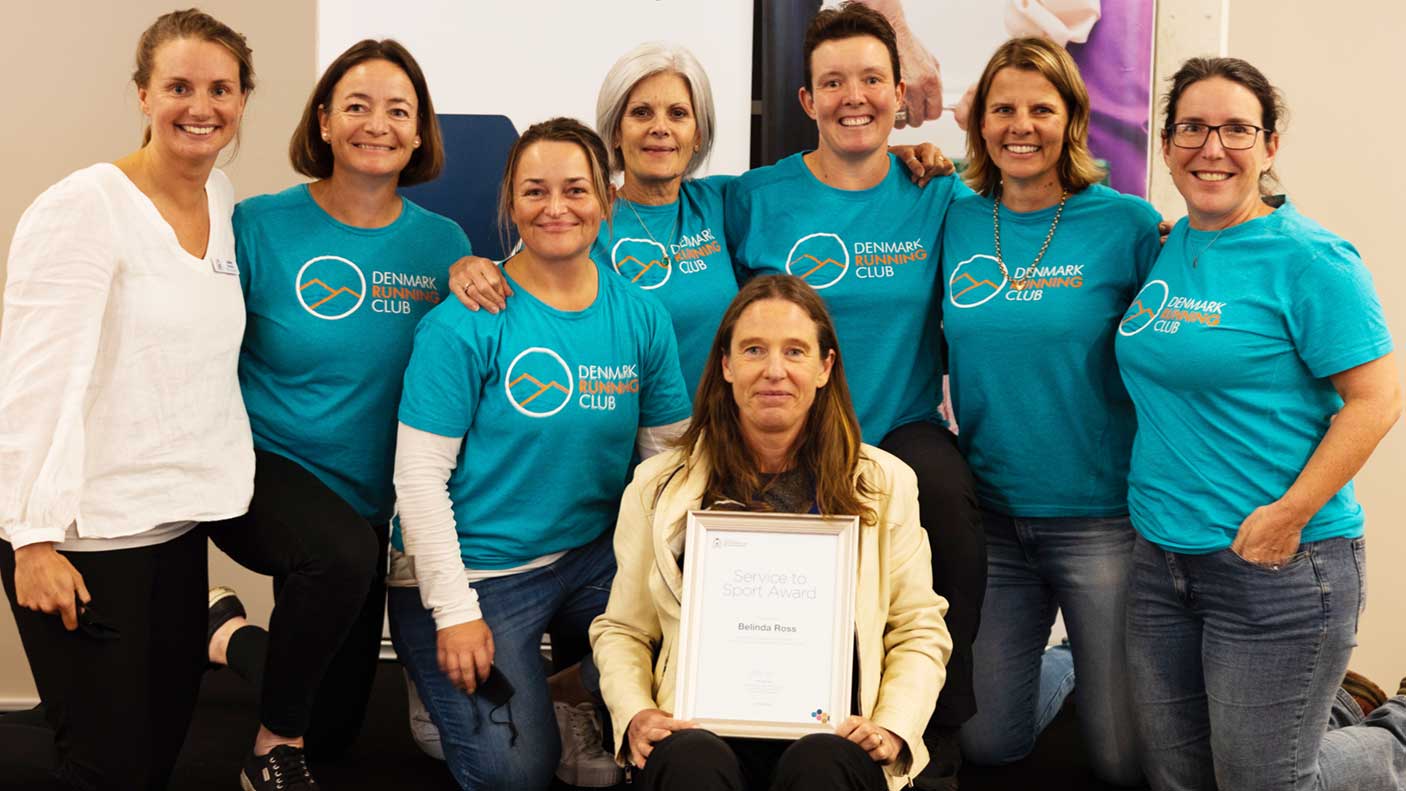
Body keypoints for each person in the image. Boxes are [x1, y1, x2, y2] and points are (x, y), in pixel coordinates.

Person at [1116, 56, 1406, 790]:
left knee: (1266, 782)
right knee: (1179, 776)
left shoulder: (1312, 260)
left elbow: (1379, 398)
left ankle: (1395, 738)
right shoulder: (1170, 243)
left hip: (1278, 566)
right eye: (1192, 128)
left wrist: (1288, 514)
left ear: (1270, 145)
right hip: (1162, 562)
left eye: (1237, 129)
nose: (1212, 147)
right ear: (1167, 143)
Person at [389, 117, 693, 791]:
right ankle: (439, 683)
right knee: (514, 773)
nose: (557, 207)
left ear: (607, 200)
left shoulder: (642, 315)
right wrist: (456, 611)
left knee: (695, 624)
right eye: (535, 191)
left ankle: (565, 690)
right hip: (479, 571)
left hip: (587, 559)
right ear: (510, 201)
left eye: (576, 189)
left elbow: (668, 460)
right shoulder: (466, 319)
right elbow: (417, 479)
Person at [199, 39, 471, 790]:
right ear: (323, 121)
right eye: (356, 105)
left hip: (366, 495)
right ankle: (268, 750)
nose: (375, 123)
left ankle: (225, 633)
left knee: (339, 724)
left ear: (419, 133)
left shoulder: (443, 244)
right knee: (341, 556)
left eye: (397, 110)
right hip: (261, 467)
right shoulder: (257, 224)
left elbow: (462, 368)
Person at [722, 6, 983, 785]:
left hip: (897, 426)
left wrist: (1164, 235)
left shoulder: (936, 192)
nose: (854, 96)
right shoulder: (752, 197)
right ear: (807, 101)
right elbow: (645, 214)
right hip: (783, 432)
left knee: (947, 505)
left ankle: (931, 735)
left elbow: (1045, 207)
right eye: (833, 82)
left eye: (872, 79)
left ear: (900, 93)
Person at [0, 10, 255, 789]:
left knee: (161, 748)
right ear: (143, 94)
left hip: (174, 527)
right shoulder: (84, 207)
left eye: (219, 88)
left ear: (244, 98)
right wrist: (32, 540)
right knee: (106, 765)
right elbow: (34, 380)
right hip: (82, 538)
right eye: (178, 86)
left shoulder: (220, 193)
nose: (199, 106)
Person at [591, 274, 952, 791]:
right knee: (690, 759)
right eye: (754, 349)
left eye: (796, 351)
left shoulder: (885, 483)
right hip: (699, 728)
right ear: (726, 365)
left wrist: (893, 727)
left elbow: (917, 627)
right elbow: (624, 630)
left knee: (823, 764)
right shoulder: (657, 486)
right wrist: (636, 713)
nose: (774, 371)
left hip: (834, 734)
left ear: (825, 367)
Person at [449, 42, 949, 396]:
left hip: (723, 441)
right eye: (641, 113)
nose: (660, 129)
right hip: (616, 441)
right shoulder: (581, 219)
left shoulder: (725, 201)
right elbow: (512, 279)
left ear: (697, 133)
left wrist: (895, 153)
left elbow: (825, 181)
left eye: (678, 114)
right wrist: (471, 267)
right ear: (616, 132)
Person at [939, 38, 1159, 785]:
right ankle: (1066, 666)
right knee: (988, 743)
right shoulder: (956, 218)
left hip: (1100, 520)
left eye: (1041, 107)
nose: (1020, 124)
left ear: (1073, 118)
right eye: (1003, 108)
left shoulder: (1127, 225)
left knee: (1122, 760)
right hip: (995, 517)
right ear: (979, 123)